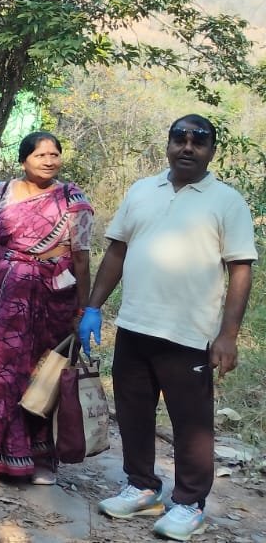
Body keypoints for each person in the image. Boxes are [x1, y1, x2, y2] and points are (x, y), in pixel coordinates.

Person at [89, 115, 255, 541]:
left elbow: (240, 270)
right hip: (134, 326)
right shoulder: (143, 191)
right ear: (167, 144)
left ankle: (189, 504)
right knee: (133, 412)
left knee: (192, 423)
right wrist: (92, 308)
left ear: (212, 150)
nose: (187, 147)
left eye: (198, 141)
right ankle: (141, 486)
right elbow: (116, 252)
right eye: (179, 138)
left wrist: (228, 335)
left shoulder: (227, 201)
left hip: (190, 334)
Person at [0, 131, 91, 483]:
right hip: (8, 297)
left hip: (54, 299)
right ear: (24, 159)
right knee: (1, 374)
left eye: (55, 154)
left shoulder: (73, 199)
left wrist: (84, 310)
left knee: (44, 374)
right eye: (41, 154)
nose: (49, 160)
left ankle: (40, 459)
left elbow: (82, 259)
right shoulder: (0, 194)